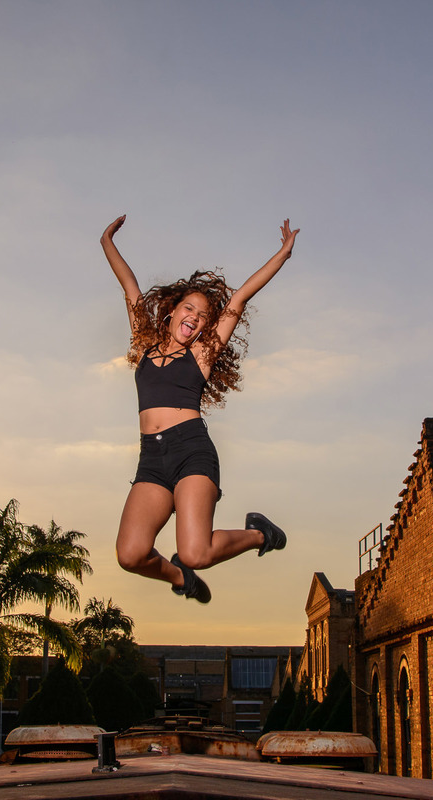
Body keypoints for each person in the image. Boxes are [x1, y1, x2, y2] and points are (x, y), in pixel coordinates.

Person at [100, 214, 299, 603]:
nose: (195, 316)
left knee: (197, 551)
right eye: (189, 308)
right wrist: (106, 240)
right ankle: (180, 578)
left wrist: (283, 255)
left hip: (191, 450)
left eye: (204, 315)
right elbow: (129, 284)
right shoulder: (144, 346)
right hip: (152, 459)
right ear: (173, 311)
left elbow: (239, 299)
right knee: (130, 554)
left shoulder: (202, 355)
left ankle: (261, 533)